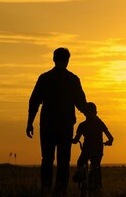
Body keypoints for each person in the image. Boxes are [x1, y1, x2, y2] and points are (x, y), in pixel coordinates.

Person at [26, 47, 89, 196]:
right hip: (65, 126)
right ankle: (61, 190)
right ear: (68, 60)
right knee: (63, 160)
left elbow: (34, 101)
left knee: (47, 159)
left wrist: (30, 122)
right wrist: (92, 118)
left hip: (47, 125)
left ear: (54, 59)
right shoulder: (73, 79)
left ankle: (46, 188)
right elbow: (81, 104)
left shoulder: (45, 78)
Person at [72, 102, 114, 189]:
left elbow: (76, 140)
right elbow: (111, 137)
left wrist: (70, 139)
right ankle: (97, 184)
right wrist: (109, 142)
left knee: (80, 162)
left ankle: (80, 174)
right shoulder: (100, 123)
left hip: (86, 150)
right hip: (98, 150)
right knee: (96, 164)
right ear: (95, 112)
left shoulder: (82, 125)